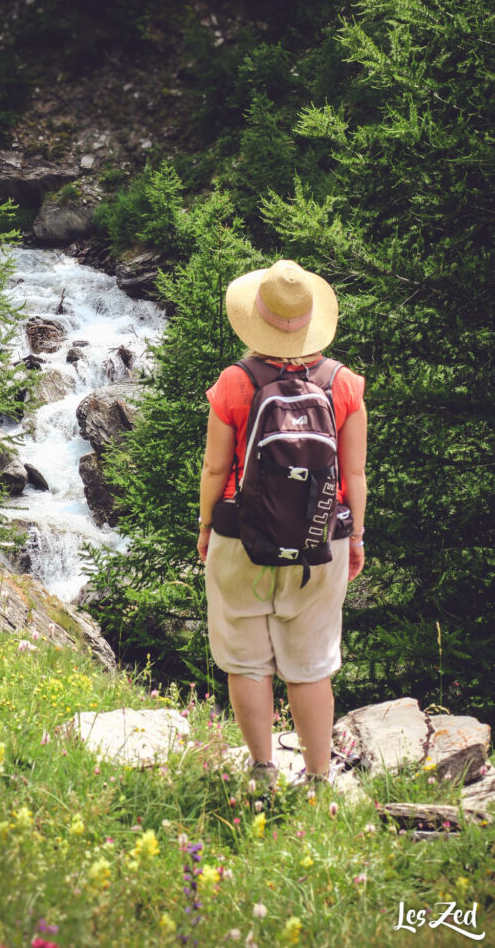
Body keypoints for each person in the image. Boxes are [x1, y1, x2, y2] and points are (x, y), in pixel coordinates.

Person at [197, 259, 367, 785]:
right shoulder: (344, 384)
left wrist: (206, 527)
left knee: (248, 662)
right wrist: (355, 535)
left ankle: (263, 771)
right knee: (311, 663)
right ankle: (318, 779)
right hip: (322, 539)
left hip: (240, 536)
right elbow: (355, 474)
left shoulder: (235, 382)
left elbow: (215, 467)